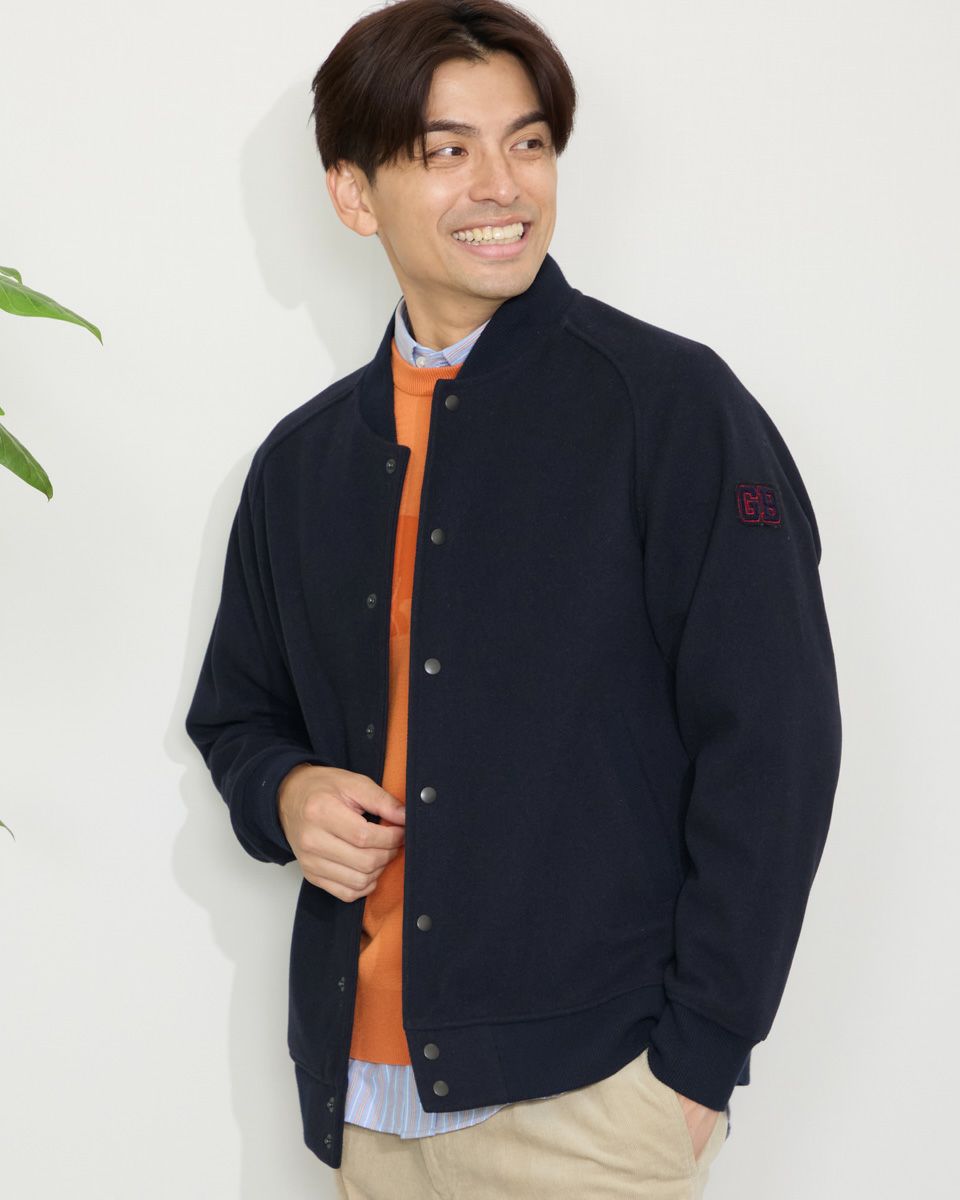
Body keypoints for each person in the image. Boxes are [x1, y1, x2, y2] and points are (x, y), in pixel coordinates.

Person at [185, 1, 843, 1196]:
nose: (503, 185)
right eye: (448, 151)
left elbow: (777, 743)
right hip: (365, 1103)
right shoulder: (303, 463)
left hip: (593, 1104)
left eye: (528, 143)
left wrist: (695, 1066)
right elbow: (236, 715)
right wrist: (284, 792)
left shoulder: (672, 410)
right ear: (353, 192)